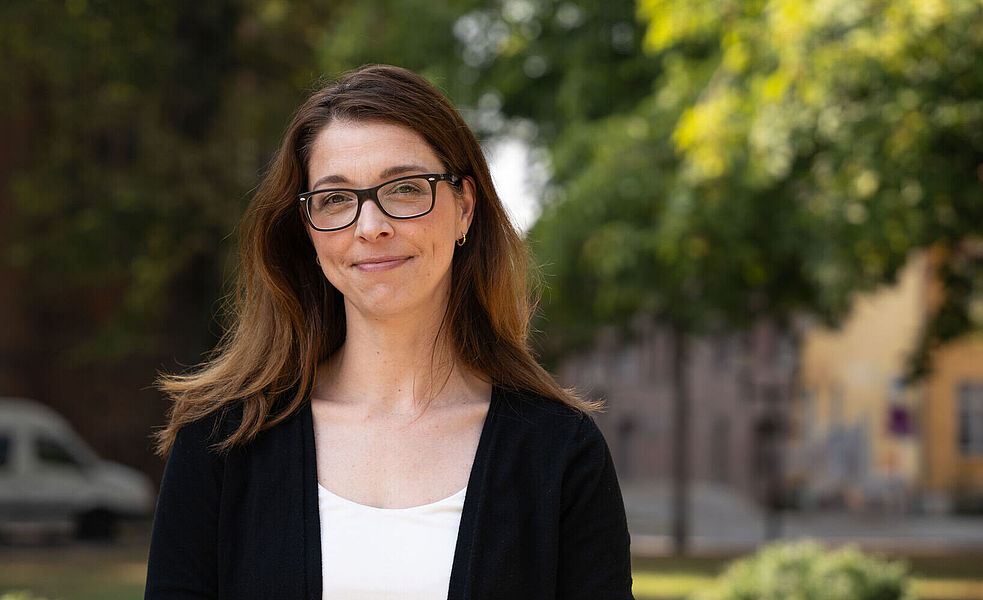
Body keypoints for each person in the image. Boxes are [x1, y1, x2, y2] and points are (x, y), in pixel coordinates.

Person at [144, 64, 635, 599]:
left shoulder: (559, 451)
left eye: (403, 189)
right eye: (334, 198)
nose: (369, 225)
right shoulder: (222, 440)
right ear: (307, 230)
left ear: (464, 208)